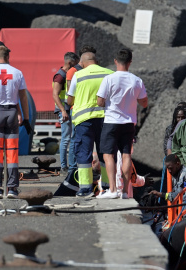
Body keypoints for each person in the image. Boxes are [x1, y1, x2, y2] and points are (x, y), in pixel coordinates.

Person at [96, 48, 148, 199]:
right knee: (126, 155)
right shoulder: (137, 80)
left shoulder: (109, 79)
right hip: (129, 122)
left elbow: (100, 101)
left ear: (115, 61)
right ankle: (124, 191)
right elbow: (144, 103)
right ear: (130, 62)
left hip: (111, 121)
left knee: (108, 155)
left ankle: (112, 190)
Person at [67, 52, 114, 197]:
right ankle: (106, 187)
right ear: (97, 61)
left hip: (84, 120)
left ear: (82, 63)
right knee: (106, 152)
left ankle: (85, 188)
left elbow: (70, 100)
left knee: (83, 153)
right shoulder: (110, 74)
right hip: (106, 119)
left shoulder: (78, 75)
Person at [0, 45, 31, 199]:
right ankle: (12, 188)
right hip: (12, 112)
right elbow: (23, 98)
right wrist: (25, 118)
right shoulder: (17, 72)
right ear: (8, 56)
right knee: (12, 152)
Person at [52, 52, 79, 176]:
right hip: (64, 110)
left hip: (68, 108)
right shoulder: (60, 76)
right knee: (66, 138)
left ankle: (71, 165)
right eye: (75, 63)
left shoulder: (67, 74)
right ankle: (63, 166)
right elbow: (55, 94)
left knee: (71, 137)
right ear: (70, 62)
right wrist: (63, 110)